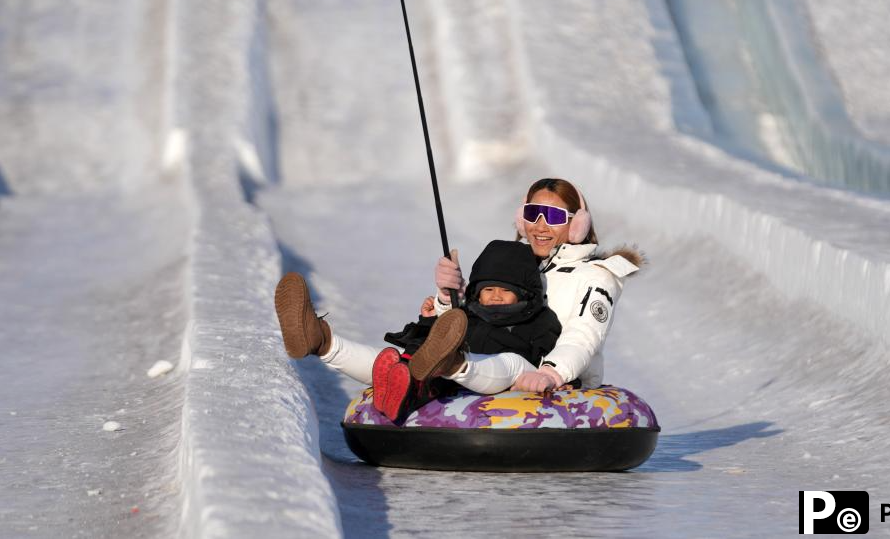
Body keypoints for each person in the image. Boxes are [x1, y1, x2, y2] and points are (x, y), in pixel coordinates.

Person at [273, 177, 641, 403]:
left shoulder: (596, 275)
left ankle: (450, 362)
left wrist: (550, 374)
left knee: (510, 366)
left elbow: (582, 337)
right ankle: (321, 341)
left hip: (553, 380)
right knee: (403, 364)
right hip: (487, 362)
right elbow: (481, 320)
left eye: (556, 217)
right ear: (520, 218)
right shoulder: (514, 263)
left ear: (577, 226)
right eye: (532, 214)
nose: (540, 226)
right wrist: (448, 298)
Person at [371, 239, 562, 421]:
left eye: (505, 290)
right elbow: (440, 340)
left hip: (502, 377)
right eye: (488, 290)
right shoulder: (468, 315)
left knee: (454, 364)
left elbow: (550, 354)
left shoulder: (539, 320)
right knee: (425, 346)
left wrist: (554, 378)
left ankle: (416, 384)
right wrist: (428, 321)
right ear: (477, 294)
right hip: (454, 381)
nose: (496, 296)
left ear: (523, 294)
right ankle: (402, 381)